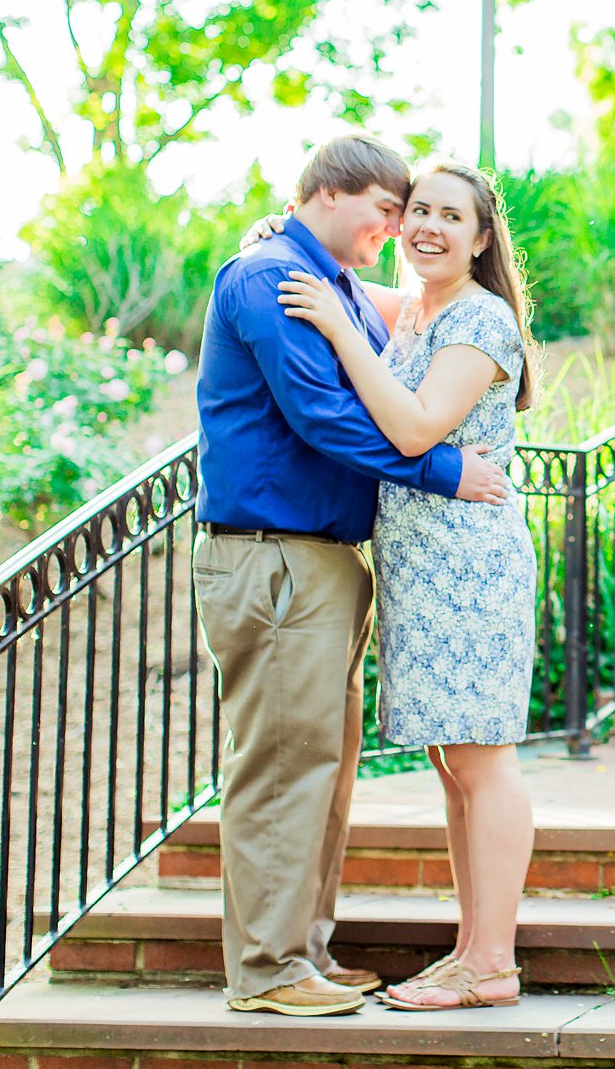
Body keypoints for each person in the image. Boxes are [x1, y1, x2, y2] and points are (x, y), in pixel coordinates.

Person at [193, 136, 511, 1018]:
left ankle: (303, 953)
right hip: (275, 555)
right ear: (331, 195)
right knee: (283, 768)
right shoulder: (269, 279)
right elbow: (324, 415)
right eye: (390, 208)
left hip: (322, 562)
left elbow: (410, 326)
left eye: (428, 211)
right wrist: (444, 471)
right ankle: (267, 969)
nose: (399, 226)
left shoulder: (325, 279)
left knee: (321, 769)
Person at [275, 161, 539, 1013]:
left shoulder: (481, 319)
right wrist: (279, 242)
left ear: (482, 238)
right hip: (423, 566)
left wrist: (342, 331)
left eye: (449, 216)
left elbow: (418, 424)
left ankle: (492, 964)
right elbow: (356, 290)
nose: (427, 225)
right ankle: (471, 952)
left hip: (471, 563)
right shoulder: (420, 307)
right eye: (417, 210)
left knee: (481, 762)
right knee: (452, 761)